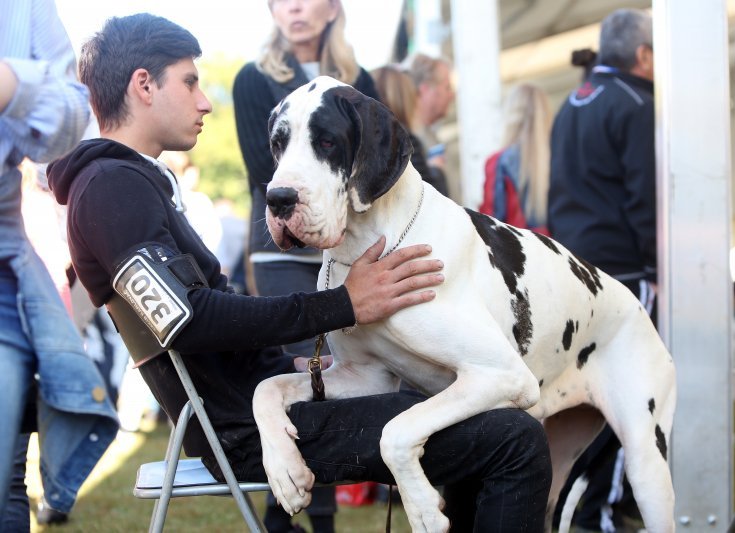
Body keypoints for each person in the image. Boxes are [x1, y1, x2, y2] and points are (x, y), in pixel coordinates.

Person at [47, 12, 553, 533]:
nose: (204, 101)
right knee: (514, 440)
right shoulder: (110, 187)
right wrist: (345, 305)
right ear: (144, 85)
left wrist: (309, 365)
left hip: (264, 401)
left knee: (485, 420)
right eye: (191, 81)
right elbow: (186, 320)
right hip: (246, 429)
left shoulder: (128, 183)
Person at [233, 2, 381, 528]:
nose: (293, 6)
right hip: (282, 252)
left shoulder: (359, 80)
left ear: (333, 8)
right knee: (302, 380)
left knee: (349, 377)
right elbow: (262, 169)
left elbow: (372, 171)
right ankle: (287, 518)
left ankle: (319, 520)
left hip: (347, 250)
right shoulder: (253, 79)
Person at [0, 0, 119, 528]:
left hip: (18, 274)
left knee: (6, 472)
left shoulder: (23, 8)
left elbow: (70, 116)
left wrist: (10, 83)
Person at [547, 8, 655, 532]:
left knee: (577, 399)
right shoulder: (637, 104)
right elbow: (645, 199)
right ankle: (601, 514)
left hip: (571, 271)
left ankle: (575, 508)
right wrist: (659, 266)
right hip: (623, 274)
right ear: (643, 55)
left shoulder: (572, 101)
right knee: (627, 398)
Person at [480, 82, 552, 234]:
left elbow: (490, 223)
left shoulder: (497, 163)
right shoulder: (558, 159)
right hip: (558, 252)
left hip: (518, 253)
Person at [371, 64, 449, 196]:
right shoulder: (404, 141)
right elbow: (429, 199)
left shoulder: (367, 142)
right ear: (403, 97)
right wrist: (437, 170)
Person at [403, 52, 455, 199]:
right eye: (447, 87)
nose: (452, 95)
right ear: (425, 89)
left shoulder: (427, 135)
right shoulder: (409, 141)